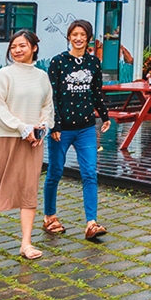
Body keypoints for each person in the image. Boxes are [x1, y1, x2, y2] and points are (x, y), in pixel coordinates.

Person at [0, 29, 53, 259]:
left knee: (29, 189)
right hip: (6, 138)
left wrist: (42, 126)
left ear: (34, 48)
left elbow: (47, 106)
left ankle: (26, 243)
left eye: (22, 46)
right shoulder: (4, 75)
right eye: (14, 46)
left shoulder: (41, 77)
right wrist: (22, 127)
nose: (17, 50)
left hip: (33, 142)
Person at [43, 19, 112, 241]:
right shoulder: (58, 62)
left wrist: (104, 115)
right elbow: (52, 95)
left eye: (82, 34)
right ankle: (49, 217)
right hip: (61, 130)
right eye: (74, 34)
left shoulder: (93, 62)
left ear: (88, 38)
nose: (78, 38)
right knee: (55, 172)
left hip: (86, 128)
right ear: (69, 37)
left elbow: (96, 91)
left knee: (90, 172)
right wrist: (55, 124)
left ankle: (91, 223)